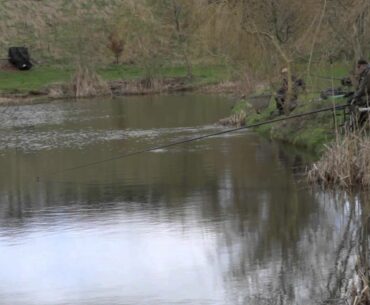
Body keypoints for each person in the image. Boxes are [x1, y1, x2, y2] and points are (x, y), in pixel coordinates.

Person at [348, 59, 370, 127]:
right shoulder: (365, 73)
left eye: (358, 67)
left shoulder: (368, 74)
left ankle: (357, 124)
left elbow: (362, 89)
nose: (357, 69)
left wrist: (354, 96)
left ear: (363, 66)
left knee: (355, 102)